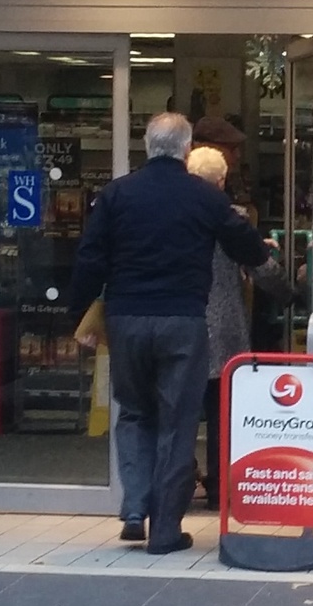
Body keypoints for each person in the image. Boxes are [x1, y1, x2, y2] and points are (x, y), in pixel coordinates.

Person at [71, 112, 276, 553]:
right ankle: (164, 529)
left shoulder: (117, 194)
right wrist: (275, 273)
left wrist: (75, 309)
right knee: (177, 423)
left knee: (134, 413)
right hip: (183, 322)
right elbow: (245, 245)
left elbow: (91, 259)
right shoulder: (203, 197)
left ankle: (133, 507)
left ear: (147, 146)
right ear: (186, 149)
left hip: (126, 321)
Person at [186, 144, 281, 503]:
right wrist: (289, 291)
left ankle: (180, 482)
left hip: (186, 323)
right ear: (222, 180)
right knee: (222, 411)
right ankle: (220, 488)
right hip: (224, 327)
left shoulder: (176, 215)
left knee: (182, 411)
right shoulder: (232, 216)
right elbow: (260, 267)